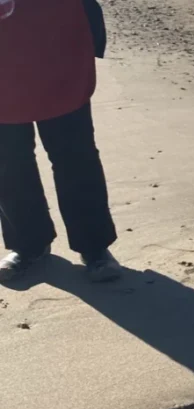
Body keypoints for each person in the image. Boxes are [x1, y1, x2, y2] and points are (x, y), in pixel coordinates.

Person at [0, 0, 121, 283]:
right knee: (7, 160)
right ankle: (28, 244)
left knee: (75, 154)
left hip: (57, 41)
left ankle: (95, 247)